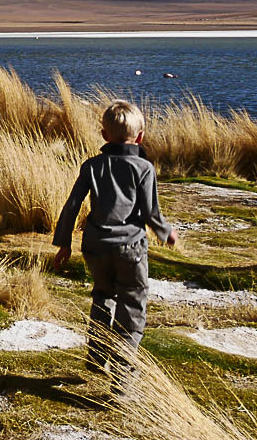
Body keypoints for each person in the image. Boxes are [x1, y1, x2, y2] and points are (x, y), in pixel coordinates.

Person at [50, 100, 176, 384]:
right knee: (132, 304)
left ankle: (97, 354)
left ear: (104, 135)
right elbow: (150, 212)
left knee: (103, 295)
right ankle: (122, 374)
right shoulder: (144, 168)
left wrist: (64, 243)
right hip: (129, 248)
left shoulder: (91, 166)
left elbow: (72, 205)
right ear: (140, 136)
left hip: (95, 246)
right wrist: (165, 232)